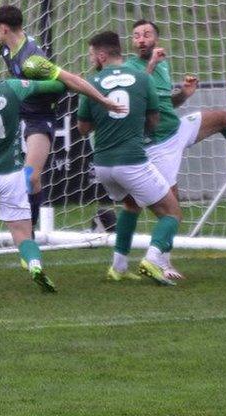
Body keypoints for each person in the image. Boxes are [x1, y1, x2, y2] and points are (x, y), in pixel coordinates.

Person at [0, 49, 126, 292]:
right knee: (22, 232)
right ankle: (36, 266)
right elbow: (54, 87)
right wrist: (68, 83)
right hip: (12, 175)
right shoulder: (12, 88)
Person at [121, 19, 226, 279]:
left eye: (147, 34)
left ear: (156, 39)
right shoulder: (130, 67)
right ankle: (161, 262)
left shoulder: (163, 65)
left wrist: (184, 95)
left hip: (176, 130)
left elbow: (164, 103)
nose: (141, 39)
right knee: (171, 210)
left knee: (221, 118)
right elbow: (134, 94)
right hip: (158, 144)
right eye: (136, 36)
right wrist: (151, 65)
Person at [0, 5, 108, 230]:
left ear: (4, 28)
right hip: (16, 108)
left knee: (31, 177)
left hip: (39, 116)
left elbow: (69, 80)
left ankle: (29, 231)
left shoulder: (32, 61)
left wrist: (102, 100)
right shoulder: (1, 44)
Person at [76, 32, 183, 285]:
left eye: (92, 55)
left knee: (131, 205)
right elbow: (154, 121)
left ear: (102, 56)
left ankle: (119, 267)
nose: (92, 59)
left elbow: (83, 129)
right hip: (132, 160)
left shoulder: (91, 82)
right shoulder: (142, 78)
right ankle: (153, 259)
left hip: (103, 165)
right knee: (172, 213)